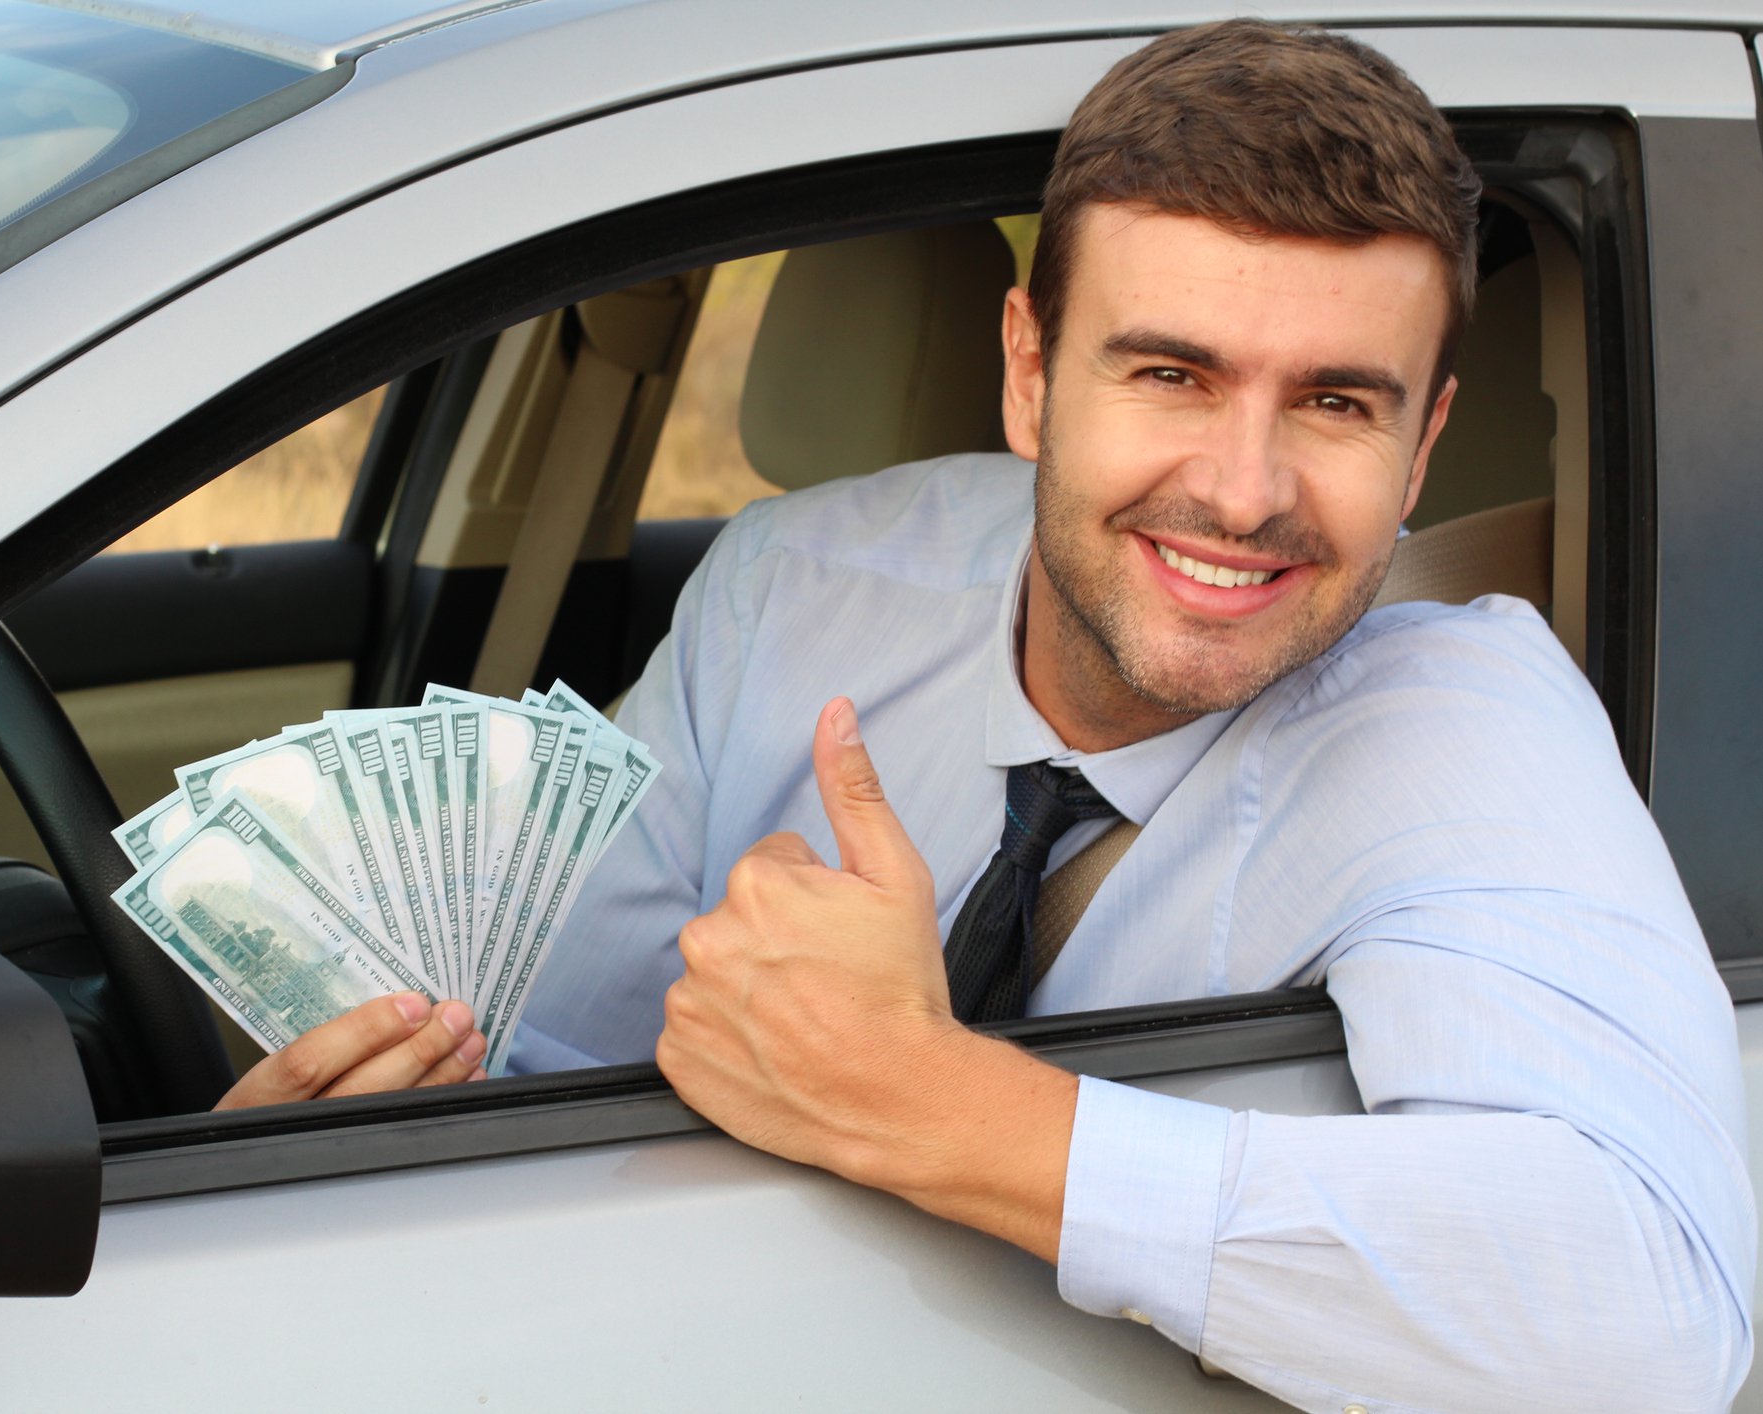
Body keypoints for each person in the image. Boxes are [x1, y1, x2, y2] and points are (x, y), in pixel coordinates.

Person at [219, 20, 1755, 1410]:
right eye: (1170, 373)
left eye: (1334, 402)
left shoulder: (1456, 726)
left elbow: (1657, 1315)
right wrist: (336, 1138)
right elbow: (562, 1058)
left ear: (1419, 448)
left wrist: (933, 1099)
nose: (1242, 491)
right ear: (1028, 375)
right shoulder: (794, 586)